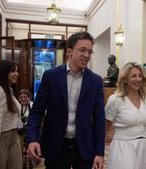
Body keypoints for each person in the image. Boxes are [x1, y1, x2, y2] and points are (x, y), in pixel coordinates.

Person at [26, 31, 105, 169]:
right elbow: (37, 111)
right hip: (56, 146)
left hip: (84, 148)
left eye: (90, 52)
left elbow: (99, 118)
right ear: (69, 51)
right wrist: (32, 139)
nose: (86, 55)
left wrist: (100, 152)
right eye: (82, 50)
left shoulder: (95, 81)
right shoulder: (51, 76)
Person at [105, 62, 146, 169]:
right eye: (133, 76)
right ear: (125, 79)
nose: (138, 79)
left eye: (140, 76)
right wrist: (101, 152)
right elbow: (106, 126)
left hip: (144, 148)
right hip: (122, 148)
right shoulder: (115, 100)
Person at [0, 60, 22, 169]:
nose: (17, 74)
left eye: (17, 71)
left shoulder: (8, 90)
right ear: (3, 72)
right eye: (13, 71)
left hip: (14, 136)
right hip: (1, 138)